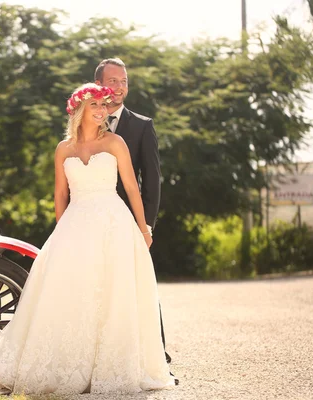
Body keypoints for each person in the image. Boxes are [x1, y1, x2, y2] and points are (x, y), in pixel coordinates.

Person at [0, 83, 176, 395]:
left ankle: (107, 366)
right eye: (94, 105)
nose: (101, 111)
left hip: (113, 224)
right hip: (75, 225)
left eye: (104, 106)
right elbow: (60, 193)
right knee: (72, 293)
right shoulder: (63, 149)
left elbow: (132, 188)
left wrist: (144, 227)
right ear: (79, 109)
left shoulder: (115, 142)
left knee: (111, 294)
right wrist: (61, 232)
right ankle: (69, 364)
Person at [94, 57, 172, 363]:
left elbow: (151, 183)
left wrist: (146, 227)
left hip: (128, 222)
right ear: (98, 84)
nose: (119, 87)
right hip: (90, 221)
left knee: (139, 287)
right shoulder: (85, 123)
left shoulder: (142, 126)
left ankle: (156, 355)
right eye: (112, 81)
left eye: (124, 81)